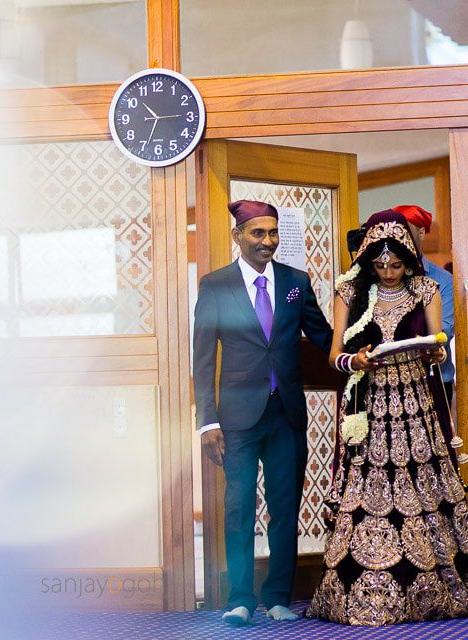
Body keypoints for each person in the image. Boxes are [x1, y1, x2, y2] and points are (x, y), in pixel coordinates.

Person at [306, 209, 468, 626]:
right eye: (379, 264)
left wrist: (435, 352)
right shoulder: (350, 291)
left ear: (409, 258)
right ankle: (362, 592)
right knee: (368, 488)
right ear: (366, 258)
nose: (388, 271)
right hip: (369, 401)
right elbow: (332, 356)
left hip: (417, 399)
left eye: (396, 263)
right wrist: (356, 359)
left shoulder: (426, 287)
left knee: (425, 484)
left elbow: (437, 344)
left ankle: (433, 591)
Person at [193, 199, 333, 625]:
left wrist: (356, 355)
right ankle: (240, 599)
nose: (267, 241)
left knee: (285, 506)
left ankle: (277, 598)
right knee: (238, 509)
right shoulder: (216, 285)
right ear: (239, 237)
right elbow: (201, 358)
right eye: (258, 233)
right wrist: (208, 421)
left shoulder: (296, 281)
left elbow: (324, 336)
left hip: (287, 413)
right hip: (236, 418)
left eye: (272, 233)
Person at [392, 205, 455, 404]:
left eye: (405, 231)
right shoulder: (383, 278)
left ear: (421, 232)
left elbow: (444, 330)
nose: (398, 239)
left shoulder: (442, 280)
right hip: (393, 382)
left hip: (434, 379)